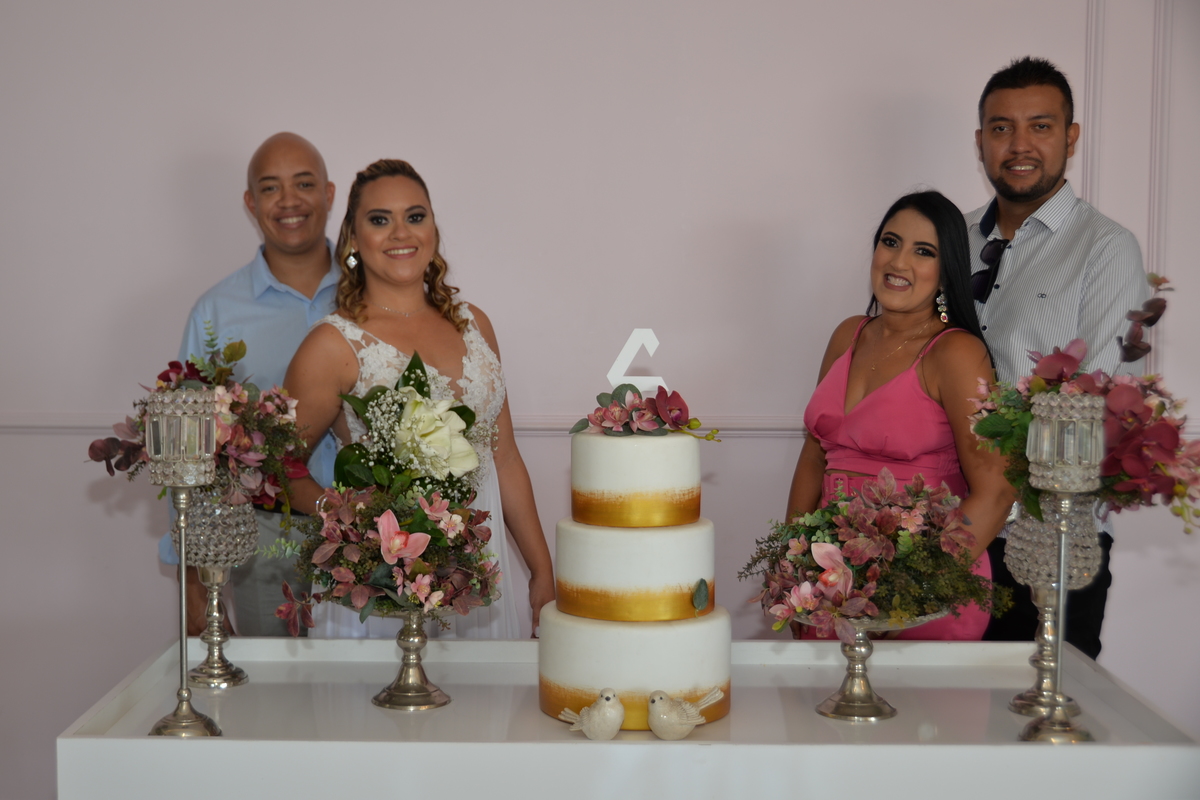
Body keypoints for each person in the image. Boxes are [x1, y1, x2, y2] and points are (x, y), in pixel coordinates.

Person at [284, 158, 555, 639]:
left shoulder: (474, 324)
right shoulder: (332, 345)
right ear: (352, 238)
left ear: (432, 227)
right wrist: (356, 524)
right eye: (379, 219)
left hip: (475, 576)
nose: (400, 233)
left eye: (415, 216)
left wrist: (541, 570)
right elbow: (283, 469)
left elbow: (505, 457)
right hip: (381, 585)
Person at [968, 57, 1150, 658]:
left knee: (1042, 705)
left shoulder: (1106, 247)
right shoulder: (949, 240)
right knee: (938, 706)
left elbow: (1103, 403)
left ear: (1071, 137)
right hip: (952, 528)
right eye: (1001, 128)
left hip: (1047, 539)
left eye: (1040, 126)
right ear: (980, 141)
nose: (1019, 145)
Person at [786, 191, 1014, 641]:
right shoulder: (847, 335)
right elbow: (815, 456)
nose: (899, 261)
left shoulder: (957, 353)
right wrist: (795, 568)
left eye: (923, 251)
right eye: (890, 242)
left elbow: (997, 492)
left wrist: (911, 595)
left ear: (946, 270)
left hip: (925, 597)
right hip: (832, 585)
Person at [162, 132, 341, 636]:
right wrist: (196, 594)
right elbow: (189, 455)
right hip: (265, 540)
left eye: (303, 183)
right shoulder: (216, 312)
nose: (289, 200)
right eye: (270, 187)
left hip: (376, 538)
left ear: (329, 193)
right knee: (276, 685)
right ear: (250, 202)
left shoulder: (372, 295)